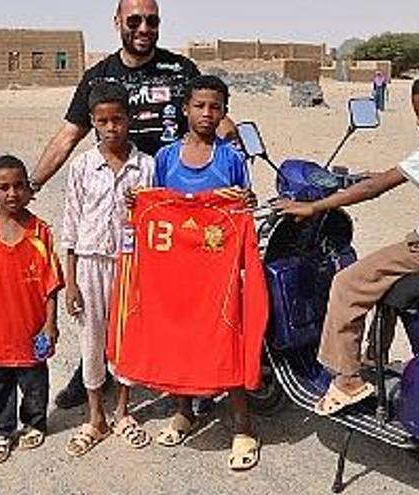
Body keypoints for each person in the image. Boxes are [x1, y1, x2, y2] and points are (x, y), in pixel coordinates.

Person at [29, 0, 236, 410]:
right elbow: (68, 136)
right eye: (135, 20)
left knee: (180, 297)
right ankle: (92, 372)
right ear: (118, 23)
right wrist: (32, 182)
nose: (144, 28)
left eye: (152, 20)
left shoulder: (181, 71)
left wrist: (240, 151)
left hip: (179, 206)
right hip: (126, 207)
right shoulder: (98, 77)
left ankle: (190, 378)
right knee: (106, 298)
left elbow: (214, 118)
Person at [276, 67, 419, 415]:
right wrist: (369, 175)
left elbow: (374, 189)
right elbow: (400, 173)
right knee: (384, 277)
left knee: (349, 282)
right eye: (417, 115)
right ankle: (374, 357)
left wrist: (313, 206)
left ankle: (347, 379)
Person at [145, 74, 261, 471]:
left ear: (224, 112)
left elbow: (247, 209)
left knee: (225, 343)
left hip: (221, 275)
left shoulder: (232, 158)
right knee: (181, 341)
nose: (207, 113)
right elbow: (154, 211)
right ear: (185, 109)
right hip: (177, 273)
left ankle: (243, 426)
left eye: (215, 107)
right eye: (200, 105)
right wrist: (137, 202)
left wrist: (247, 200)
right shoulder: (164, 158)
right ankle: (185, 411)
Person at [60, 81, 155, 457]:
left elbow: (155, 220)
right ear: (93, 123)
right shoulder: (83, 165)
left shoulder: (145, 166)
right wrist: (71, 282)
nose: (112, 127)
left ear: (128, 119)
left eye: (118, 119)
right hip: (89, 264)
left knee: (127, 338)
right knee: (93, 339)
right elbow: (70, 223)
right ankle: (95, 417)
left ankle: (123, 412)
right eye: (103, 121)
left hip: (131, 265)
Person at [0, 155, 64, 463]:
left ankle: (34, 422)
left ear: (29, 189)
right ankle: (1, 430)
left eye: (19, 186)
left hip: (31, 331)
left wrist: (50, 324)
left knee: (34, 383)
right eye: (3, 187)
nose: (12, 193)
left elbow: (51, 285)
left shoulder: (40, 233)